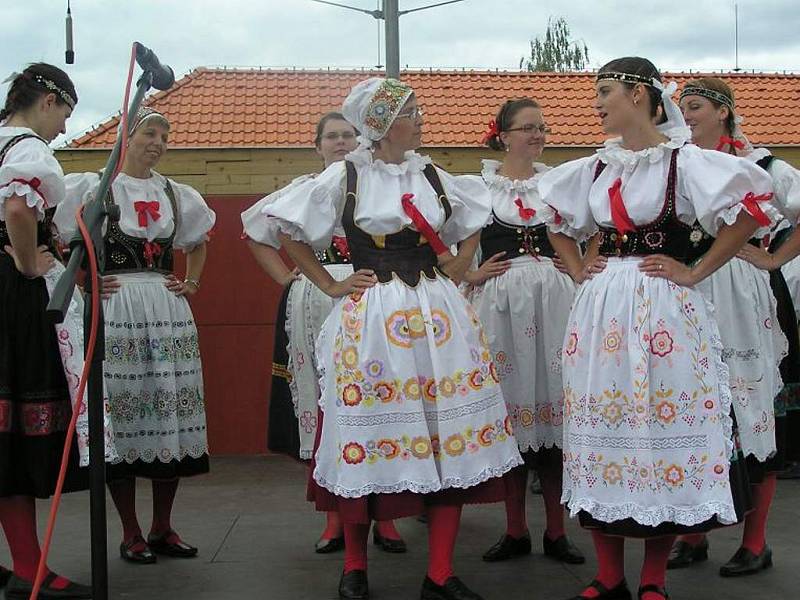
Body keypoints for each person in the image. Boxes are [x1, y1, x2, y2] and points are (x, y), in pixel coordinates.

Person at [254, 77, 523, 600]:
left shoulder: (434, 176)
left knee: (447, 435)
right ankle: (355, 566)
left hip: (436, 313)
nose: (421, 119)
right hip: (373, 315)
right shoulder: (346, 176)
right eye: (411, 111)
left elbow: (476, 218)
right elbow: (280, 228)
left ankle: (440, 572)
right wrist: (330, 282)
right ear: (381, 123)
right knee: (366, 434)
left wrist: (460, 265)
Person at [540, 57, 775, 600]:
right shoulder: (596, 168)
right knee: (605, 428)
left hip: (664, 306)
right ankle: (608, 574)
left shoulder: (684, 163)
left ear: (639, 96)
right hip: (602, 309)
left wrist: (694, 270)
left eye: (605, 92)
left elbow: (750, 210)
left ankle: (652, 580)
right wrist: (578, 268)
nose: (597, 102)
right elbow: (551, 217)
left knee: (656, 431)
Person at [54, 107, 215, 566]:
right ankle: (130, 531)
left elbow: (199, 240)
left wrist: (193, 281)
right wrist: (86, 280)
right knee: (120, 411)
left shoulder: (176, 193)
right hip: (116, 305)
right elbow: (64, 237)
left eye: (164, 134)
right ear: (126, 136)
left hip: (166, 306)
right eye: (150, 132)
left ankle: (163, 525)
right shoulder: (95, 188)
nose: (158, 141)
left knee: (170, 408)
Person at [242, 111, 406, 554]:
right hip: (316, 298)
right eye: (331, 137)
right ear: (317, 147)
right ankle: (335, 515)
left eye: (348, 135)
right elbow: (256, 232)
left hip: (372, 296)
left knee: (379, 398)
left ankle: (386, 516)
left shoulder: (378, 186)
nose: (340, 142)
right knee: (321, 401)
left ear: (362, 142)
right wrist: (287, 278)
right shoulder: (304, 192)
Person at [668, 77, 800, 576]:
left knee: (752, 412)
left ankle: (756, 542)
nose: (689, 116)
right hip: (686, 293)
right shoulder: (676, 165)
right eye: (684, 109)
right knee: (692, 412)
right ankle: (692, 534)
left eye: (697, 107)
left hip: (745, 296)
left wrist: (774, 260)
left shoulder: (763, 167)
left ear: (724, 112)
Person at [466, 98, 584, 565]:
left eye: (542, 127)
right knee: (510, 418)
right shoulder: (478, 188)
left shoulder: (559, 183)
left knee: (556, 415)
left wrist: (579, 263)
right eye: (527, 127)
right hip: (500, 308)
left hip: (556, 302)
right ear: (503, 134)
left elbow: (593, 229)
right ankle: (516, 529)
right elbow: (456, 245)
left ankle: (556, 531)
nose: (537, 135)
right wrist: (470, 276)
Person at [0, 63, 92, 599]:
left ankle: (22, 563)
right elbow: (17, 203)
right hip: (12, 297)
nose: (61, 129)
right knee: (17, 436)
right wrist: (31, 262)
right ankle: (29, 570)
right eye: (65, 115)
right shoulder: (29, 150)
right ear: (49, 102)